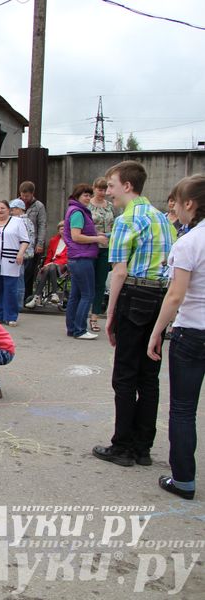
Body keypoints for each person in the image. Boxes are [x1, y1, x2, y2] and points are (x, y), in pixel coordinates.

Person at [93, 160, 175, 468]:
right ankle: (143, 447)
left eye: (112, 185)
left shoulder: (126, 220)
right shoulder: (163, 219)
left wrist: (110, 312)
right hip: (160, 298)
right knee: (148, 375)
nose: (109, 191)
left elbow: (119, 271)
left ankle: (122, 446)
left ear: (127, 186)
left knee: (125, 375)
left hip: (134, 295)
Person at [146, 174, 205, 500]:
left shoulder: (189, 242)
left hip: (192, 331)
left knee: (183, 409)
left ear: (190, 205)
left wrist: (157, 332)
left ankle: (183, 479)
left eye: (178, 203)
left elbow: (175, 296)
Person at [63, 184, 109, 340]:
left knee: (75, 295)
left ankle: (72, 328)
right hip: (82, 257)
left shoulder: (76, 210)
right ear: (77, 196)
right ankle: (80, 329)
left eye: (90, 195)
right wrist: (97, 238)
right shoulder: (78, 212)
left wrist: (97, 233)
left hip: (77, 257)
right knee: (87, 294)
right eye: (85, 195)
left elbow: (79, 233)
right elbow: (76, 236)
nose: (88, 198)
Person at [89, 177, 115, 332]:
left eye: (104, 189)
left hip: (106, 246)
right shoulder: (88, 206)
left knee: (100, 282)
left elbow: (115, 223)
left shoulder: (110, 206)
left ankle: (94, 316)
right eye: (99, 189)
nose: (102, 192)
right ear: (94, 188)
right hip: (91, 246)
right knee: (88, 282)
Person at [25, 221, 68, 308]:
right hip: (52, 266)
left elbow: (68, 257)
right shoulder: (54, 240)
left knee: (51, 266)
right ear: (58, 230)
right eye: (61, 229)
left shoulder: (71, 242)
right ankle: (51, 295)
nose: (63, 231)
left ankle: (36, 298)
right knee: (48, 268)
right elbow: (49, 256)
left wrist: (53, 263)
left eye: (65, 229)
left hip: (63, 265)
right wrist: (46, 264)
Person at [20, 181, 47, 303]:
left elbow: (42, 225)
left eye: (27, 196)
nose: (24, 198)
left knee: (29, 271)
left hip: (32, 243)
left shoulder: (39, 206)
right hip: (19, 243)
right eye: (22, 196)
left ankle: (27, 296)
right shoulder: (17, 204)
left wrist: (40, 243)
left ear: (32, 194)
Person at [9, 200, 35, 309]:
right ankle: (16, 303)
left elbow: (26, 240)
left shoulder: (22, 221)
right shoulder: (26, 221)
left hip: (20, 254)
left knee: (18, 278)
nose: (11, 212)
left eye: (13, 209)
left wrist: (21, 253)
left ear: (20, 209)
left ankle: (18, 304)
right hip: (22, 254)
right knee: (18, 278)